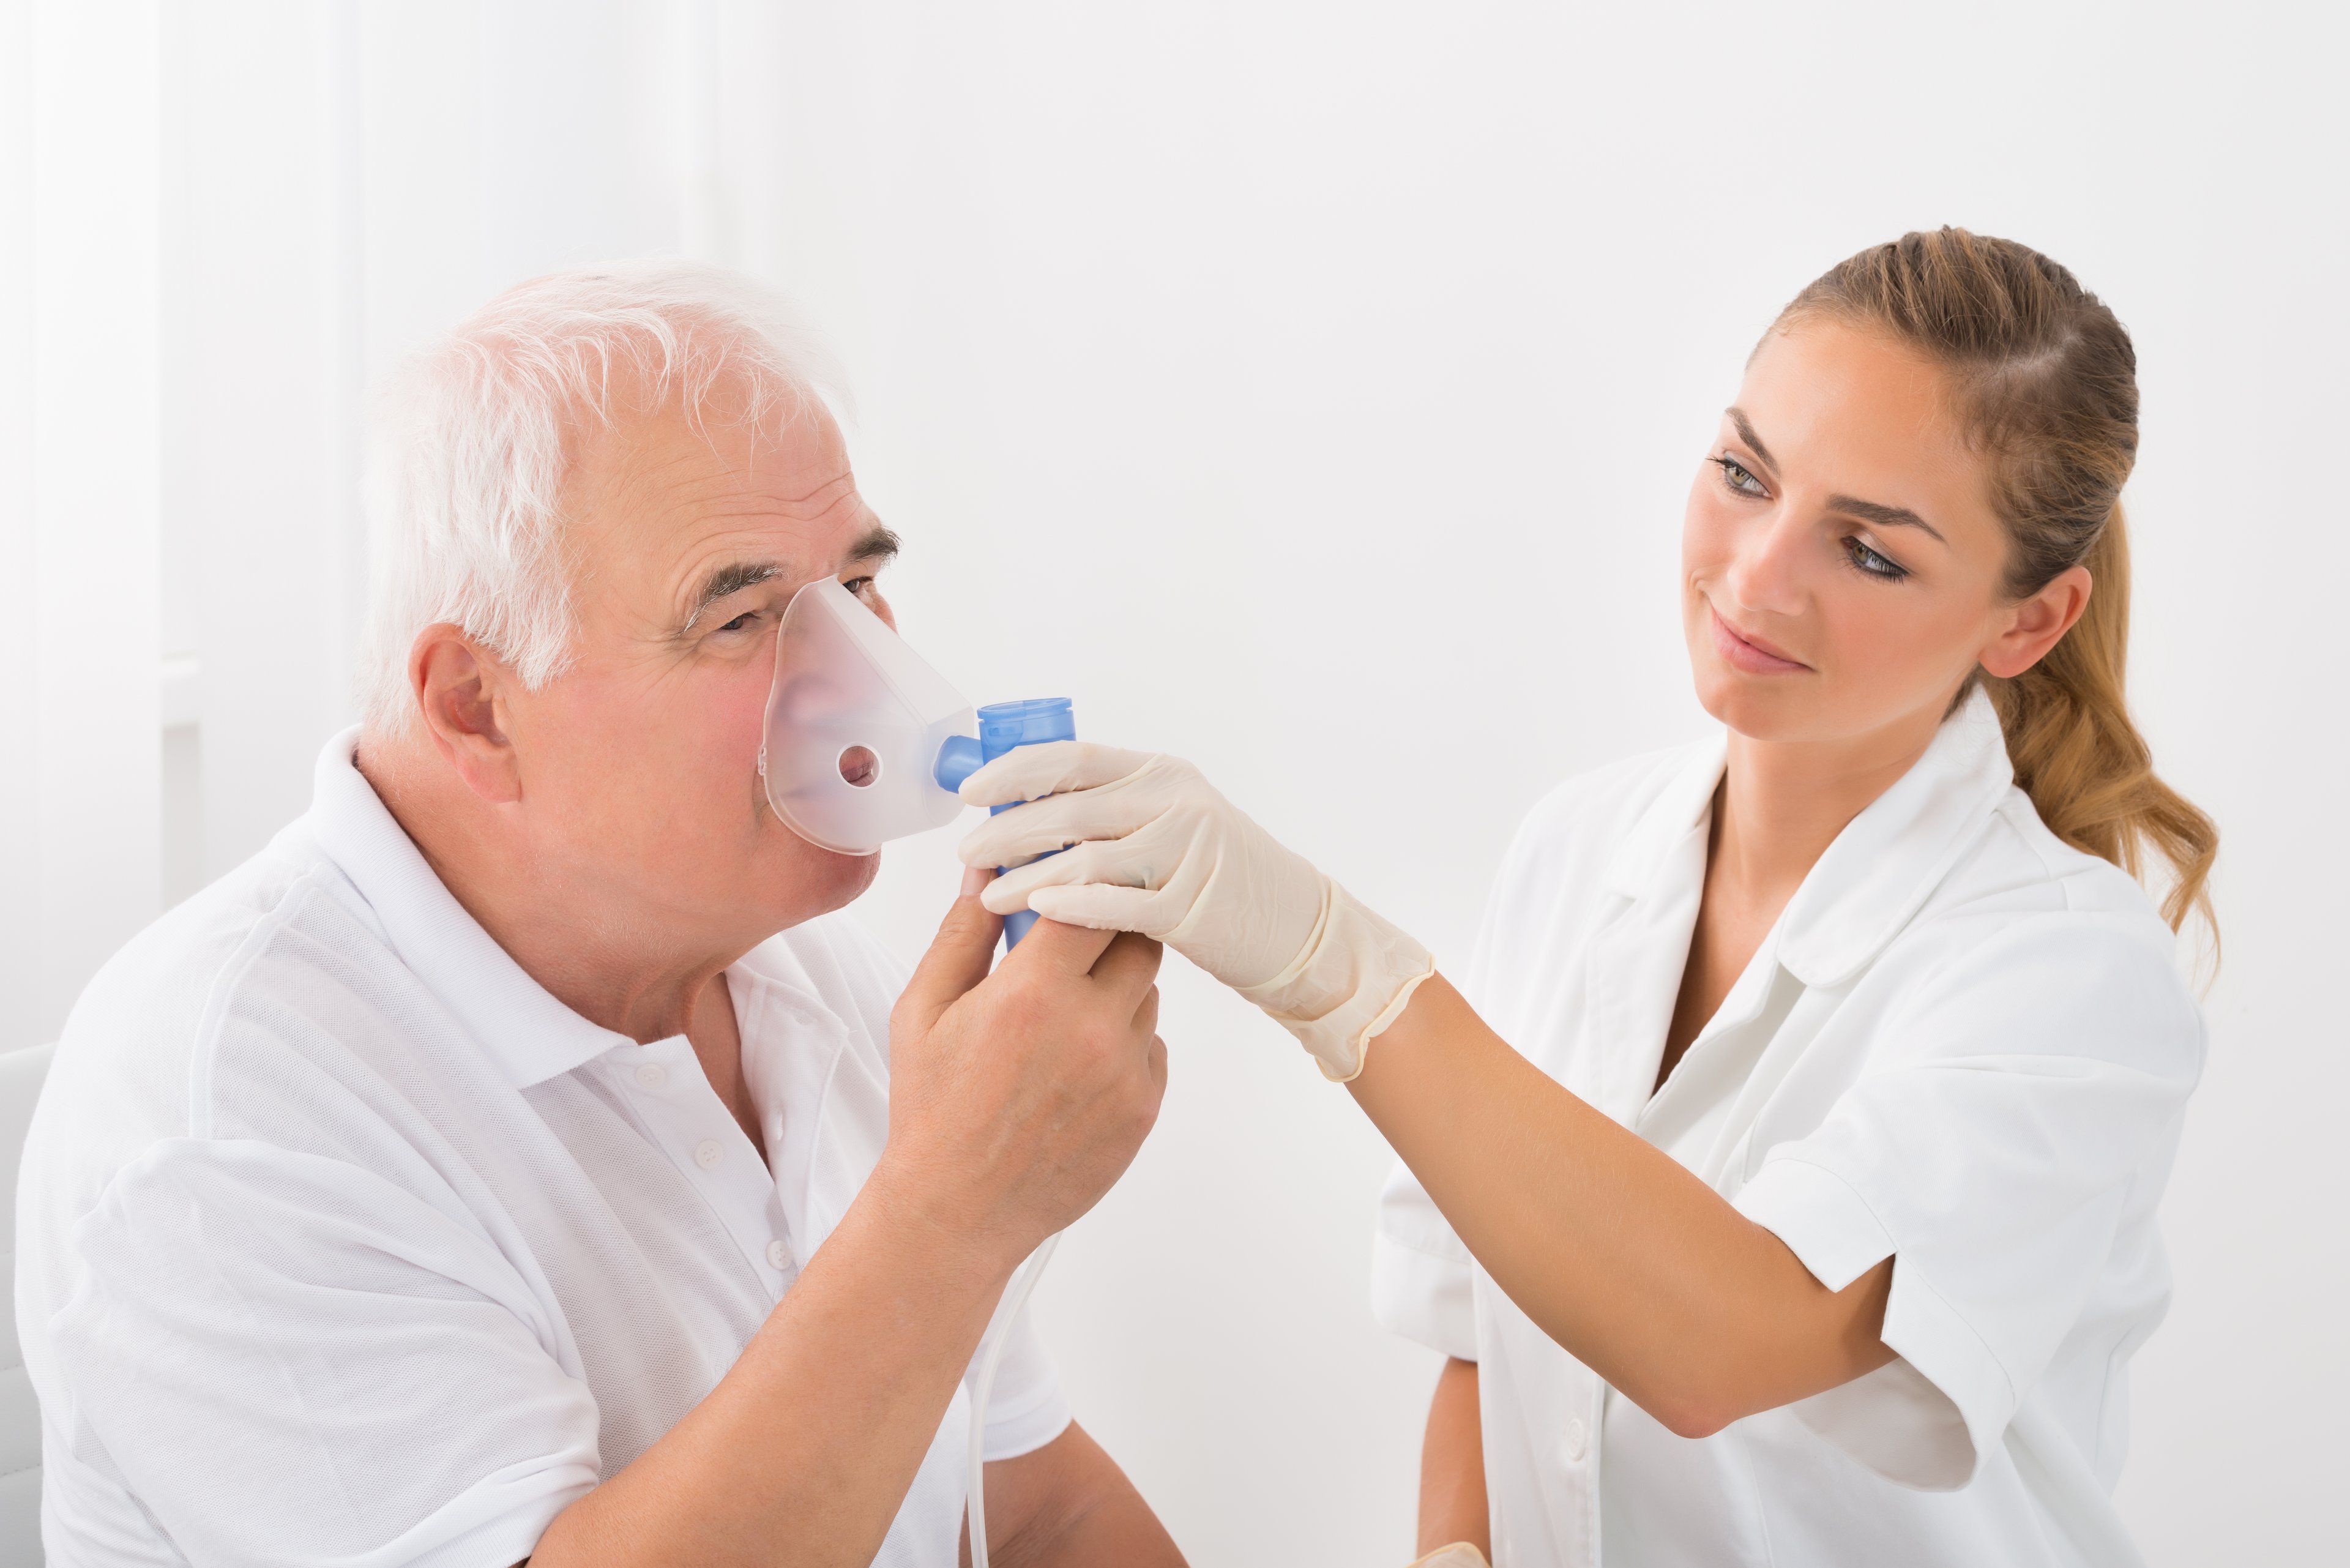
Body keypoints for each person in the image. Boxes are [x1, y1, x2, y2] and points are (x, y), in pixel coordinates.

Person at [952, 229, 2215, 1567]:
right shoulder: (1580, 848)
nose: (1756, 575)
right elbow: (1486, 1317)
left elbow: (1724, 1337)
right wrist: (1459, 1551)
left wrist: (1328, 962)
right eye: (1744, 474)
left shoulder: (2071, 975)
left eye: (1872, 553)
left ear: (2028, 622)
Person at [14, 263, 1186, 1567]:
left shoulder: (800, 973)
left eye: (856, 590)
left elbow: (1039, 1516)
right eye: (742, 619)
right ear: (475, 702)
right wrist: (953, 1210)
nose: (869, 679)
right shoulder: (224, 1116)